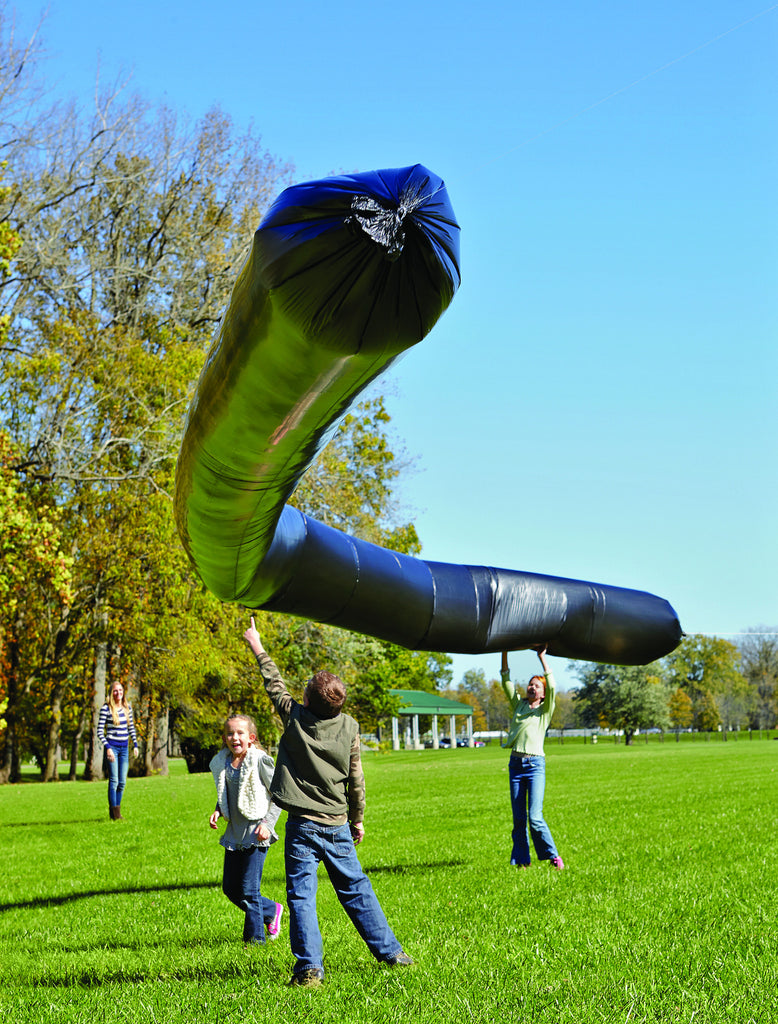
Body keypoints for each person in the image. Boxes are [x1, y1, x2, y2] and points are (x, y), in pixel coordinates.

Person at [243, 616, 413, 988]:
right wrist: (358, 819)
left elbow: (274, 685)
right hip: (337, 824)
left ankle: (309, 970)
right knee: (356, 888)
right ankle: (393, 954)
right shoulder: (350, 727)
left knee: (302, 897)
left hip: (302, 826)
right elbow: (356, 779)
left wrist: (257, 644)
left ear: (305, 700)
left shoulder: (295, 718)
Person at [208, 715, 284, 946]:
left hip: (256, 831)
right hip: (235, 832)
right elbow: (226, 793)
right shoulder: (223, 763)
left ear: (251, 738)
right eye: (230, 733)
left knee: (250, 890)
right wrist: (218, 810)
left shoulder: (260, 760)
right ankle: (271, 910)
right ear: (224, 738)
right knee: (231, 888)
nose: (235, 738)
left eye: (240, 733)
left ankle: (254, 942)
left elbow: (280, 795)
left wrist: (268, 825)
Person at [501, 646, 564, 870]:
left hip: (535, 765)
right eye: (530, 684)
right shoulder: (519, 705)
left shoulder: (544, 711)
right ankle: (521, 861)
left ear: (543, 693)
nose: (531, 687)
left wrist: (542, 658)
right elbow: (506, 681)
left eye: (536, 686)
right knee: (519, 818)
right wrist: (504, 651)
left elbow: (553, 685)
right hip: (515, 765)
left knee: (535, 817)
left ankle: (553, 856)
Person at [96, 681, 139, 820]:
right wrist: (108, 748)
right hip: (112, 747)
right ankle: (115, 814)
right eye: (115, 691)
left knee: (122, 782)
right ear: (111, 693)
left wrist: (136, 745)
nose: (118, 693)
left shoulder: (127, 708)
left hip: (124, 748)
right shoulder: (106, 709)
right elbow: (100, 732)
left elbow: (131, 727)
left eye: (120, 690)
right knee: (113, 780)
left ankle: (116, 809)